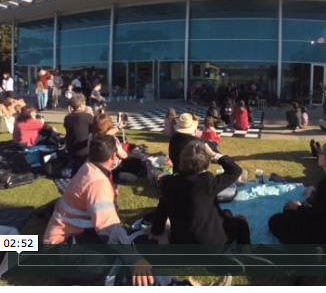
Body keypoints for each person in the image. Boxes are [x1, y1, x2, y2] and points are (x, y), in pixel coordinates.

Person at [43, 135, 156, 286]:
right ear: (113, 156)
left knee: (138, 242)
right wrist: (135, 259)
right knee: (122, 263)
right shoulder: (97, 183)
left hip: (76, 238)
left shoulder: (90, 167)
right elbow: (108, 228)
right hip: (63, 249)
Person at [151, 140, 250, 245]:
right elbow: (235, 170)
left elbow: (161, 212)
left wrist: (155, 230)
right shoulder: (207, 181)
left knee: (226, 213)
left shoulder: (168, 182)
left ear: (182, 161)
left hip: (181, 244)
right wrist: (214, 154)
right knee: (241, 221)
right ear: (207, 163)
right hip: (211, 245)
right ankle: (245, 254)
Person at [269, 139, 326, 244]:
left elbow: (314, 218)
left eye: (321, 152)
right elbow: (324, 211)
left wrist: (298, 208)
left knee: (276, 221)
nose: (318, 154)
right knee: (289, 214)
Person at [64, 94, 94, 176]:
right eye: (84, 103)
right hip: (83, 150)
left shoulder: (67, 118)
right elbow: (96, 129)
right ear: (81, 105)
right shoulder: (87, 117)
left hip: (70, 148)